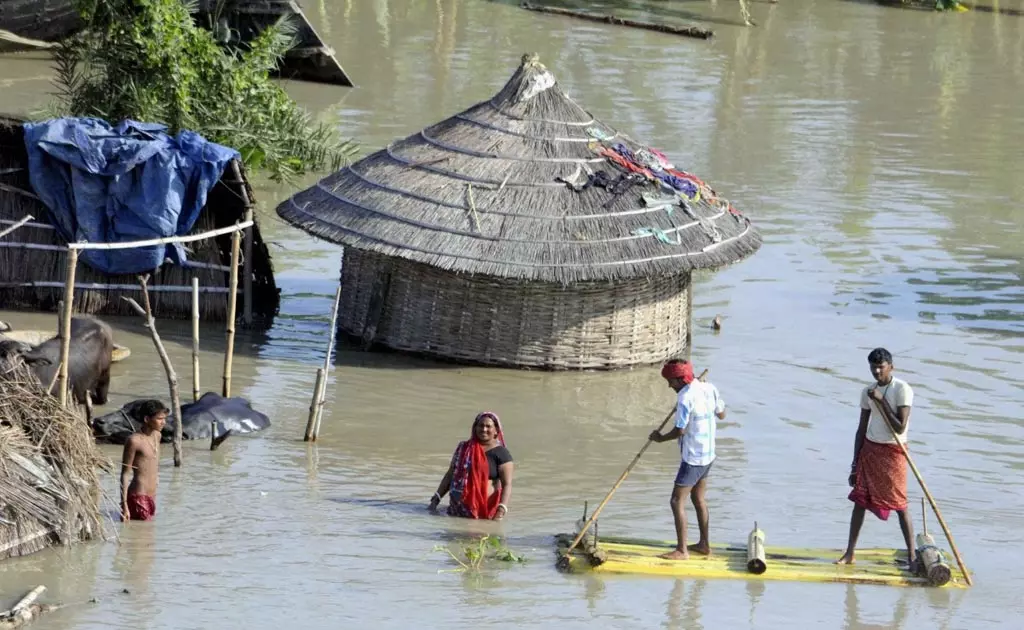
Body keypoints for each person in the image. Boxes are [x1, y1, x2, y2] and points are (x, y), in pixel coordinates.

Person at [836, 348, 916, 570]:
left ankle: (912, 557)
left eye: (881, 366)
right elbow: (861, 429)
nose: (877, 371)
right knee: (859, 501)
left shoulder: (902, 389)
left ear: (891, 366)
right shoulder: (867, 391)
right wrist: (854, 464)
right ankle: (850, 553)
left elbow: (899, 428)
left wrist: (881, 401)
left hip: (893, 451)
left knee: (900, 505)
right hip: (870, 450)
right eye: (873, 367)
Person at [649, 359, 725, 560]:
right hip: (709, 453)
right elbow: (722, 414)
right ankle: (704, 545)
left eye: (671, 381)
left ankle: (682, 551)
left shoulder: (685, 397)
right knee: (698, 498)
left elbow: (680, 431)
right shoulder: (709, 388)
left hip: (693, 457)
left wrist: (659, 438)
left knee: (676, 501)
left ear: (680, 379)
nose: (669, 385)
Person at [428, 412, 513, 520]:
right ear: (475, 428)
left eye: (488, 426)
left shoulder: (501, 453)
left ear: (496, 430)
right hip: (456, 511)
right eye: (481, 425)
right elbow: (450, 475)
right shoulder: (463, 448)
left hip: (484, 514)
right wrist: (436, 499)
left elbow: (507, 485)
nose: (484, 429)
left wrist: (501, 509)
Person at [120, 399, 168, 522]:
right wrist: (124, 505)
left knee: (148, 535)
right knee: (143, 533)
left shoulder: (157, 435)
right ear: (147, 419)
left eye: (164, 418)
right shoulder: (134, 441)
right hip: (138, 496)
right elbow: (125, 473)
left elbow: (154, 461)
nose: (164, 422)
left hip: (152, 495)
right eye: (159, 419)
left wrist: (157, 476)